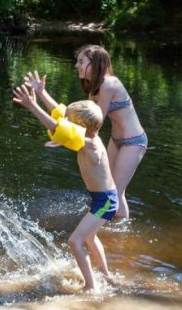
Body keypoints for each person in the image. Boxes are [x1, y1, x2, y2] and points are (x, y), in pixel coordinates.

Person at [13, 86, 117, 291]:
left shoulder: (90, 144)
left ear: (81, 127)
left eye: (71, 124)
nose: (65, 124)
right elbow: (61, 118)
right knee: (89, 237)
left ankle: (91, 286)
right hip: (103, 198)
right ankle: (106, 275)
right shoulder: (88, 138)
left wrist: (32, 105)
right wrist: (42, 93)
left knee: (75, 241)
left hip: (105, 201)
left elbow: (58, 127)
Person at [25, 45, 146, 219]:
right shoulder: (96, 87)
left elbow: (94, 123)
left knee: (116, 192)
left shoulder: (108, 85)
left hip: (134, 142)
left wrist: (62, 137)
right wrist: (42, 93)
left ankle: (120, 235)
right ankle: (109, 226)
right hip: (116, 140)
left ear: (95, 62)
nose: (77, 66)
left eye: (81, 61)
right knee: (111, 188)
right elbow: (74, 117)